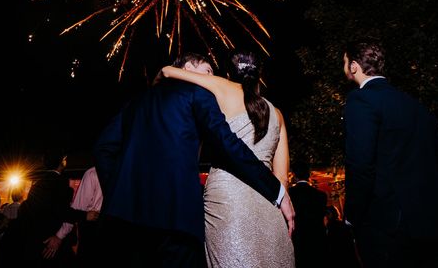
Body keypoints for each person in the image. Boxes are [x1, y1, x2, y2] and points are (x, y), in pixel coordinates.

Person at [94, 52, 294, 268]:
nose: (211, 78)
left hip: (124, 218)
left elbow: (103, 148)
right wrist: (276, 190)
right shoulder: (197, 95)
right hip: (177, 218)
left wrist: (119, 192)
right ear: (188, 68)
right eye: (208, 71)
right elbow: (228, 144)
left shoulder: (137, 101)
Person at [162, 49, 295, 267]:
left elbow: (168, 72)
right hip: (269, 201)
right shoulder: (277, 113)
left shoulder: (222, 88)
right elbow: (282, 178)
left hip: (226, 198)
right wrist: (282, 201)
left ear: (227, 72)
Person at [343, 38, 438, 267]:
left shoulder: (361, 100)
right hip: (431, 222)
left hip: (388, 226)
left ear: (354, 66)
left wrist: (352, 215)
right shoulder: (415, 105)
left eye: (345, 62)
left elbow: (361, 164)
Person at [44, 166, 103, 266]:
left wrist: (59, 236)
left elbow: (78, 207)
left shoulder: (93, 173)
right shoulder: (129, 171)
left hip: (94, 225)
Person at [288, 159, 327, 268]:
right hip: (317, 238)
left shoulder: (290, 194)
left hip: (298, 239)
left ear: (294, 175)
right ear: (308, 175)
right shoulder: (321, 195)